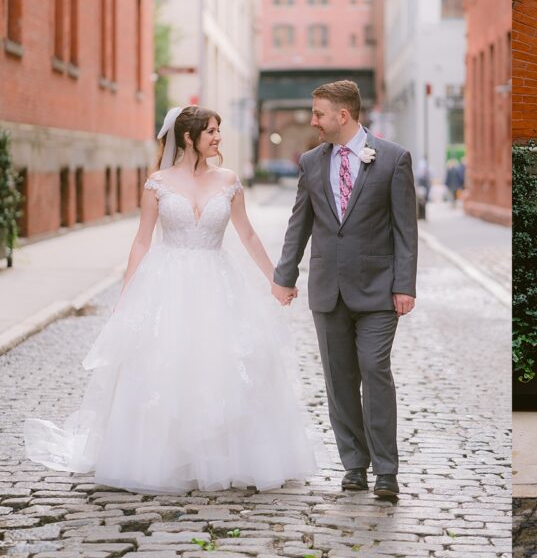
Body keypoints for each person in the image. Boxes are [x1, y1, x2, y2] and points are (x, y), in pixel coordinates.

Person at [24, 106, 318, 493]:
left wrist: (277, 280)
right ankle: (164, 455)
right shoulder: (157, 183)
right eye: (210, 131)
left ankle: (223, 454)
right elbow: (143, 240)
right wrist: (127, 295)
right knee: (166, 364)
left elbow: (247, 235)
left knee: (220, 366)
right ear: (187, 138)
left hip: (218, 284)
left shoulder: (229, 181)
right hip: (166, 284)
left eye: (218, 131)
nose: (217, 137)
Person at [271, 80, 418, 501]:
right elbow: (299, 223)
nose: (312, 120)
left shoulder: (393, 159)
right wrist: (285, 276)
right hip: (327, 289)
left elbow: (405, 230)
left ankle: (386, 472)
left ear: (343, 115)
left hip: (379, 291)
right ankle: (355, 465)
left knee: (374, 370)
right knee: (339, 380)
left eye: (318, 113)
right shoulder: (311, 162)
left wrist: (404, 285)